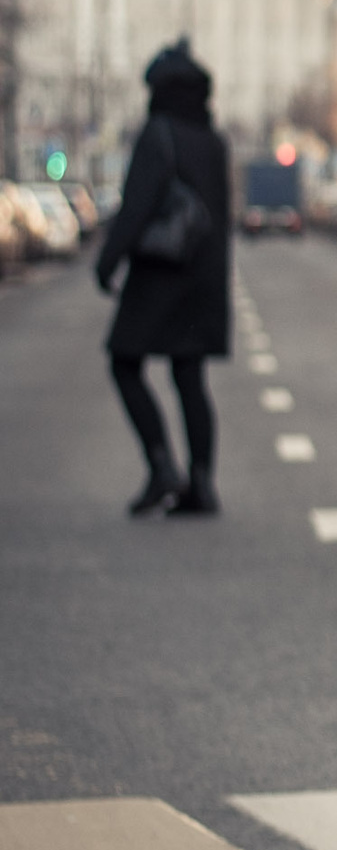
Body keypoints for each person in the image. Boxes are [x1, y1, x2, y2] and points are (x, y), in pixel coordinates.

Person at [93, 39, 230, 517]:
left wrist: (108, 261)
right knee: (189, 375)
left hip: (160, 274)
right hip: (204, 276)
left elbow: (137, 206)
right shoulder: (213, 140)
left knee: (124, 362)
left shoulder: (159, 134)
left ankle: (160, 466)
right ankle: (202, 482)